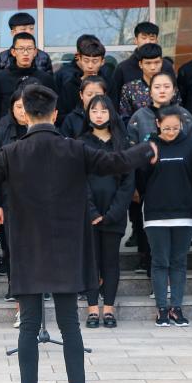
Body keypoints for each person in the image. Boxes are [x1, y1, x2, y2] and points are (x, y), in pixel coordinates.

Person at [0, 85, 158, 383]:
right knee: (70, 324)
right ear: (55, 114)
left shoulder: (12, 152)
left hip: (28, 250)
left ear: (25, 114)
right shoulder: (75, 148)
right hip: (67, 250)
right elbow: (116, 162)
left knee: (28, 325)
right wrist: (147, 149)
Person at [125, 71, 192, 271]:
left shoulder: (185, 116)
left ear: (174, 90)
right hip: (146, 183)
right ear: (150, 91)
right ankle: (146, 264)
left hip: (178, 185)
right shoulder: (139, 117)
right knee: (147, 230)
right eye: (157, 87)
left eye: (167, 86)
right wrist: (133, 185)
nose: (162, 91)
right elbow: (130, 154)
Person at [139, 106, 192, 328]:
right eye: (166, 128)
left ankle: (176, 307)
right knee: (160, 261)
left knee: (178, 262)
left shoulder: (190, 145)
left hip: (184, 213)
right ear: (157, 124)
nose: (171, 132)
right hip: (156, 214)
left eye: (176, 128)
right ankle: (162, 308)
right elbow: (141, 179)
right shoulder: (149, 146)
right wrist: (150, 163)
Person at [79, 95, 134, 329]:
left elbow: (128, 183)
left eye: (103, 110)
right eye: (94, 111)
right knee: (91, 262)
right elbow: (78, 180)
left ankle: (109, 309)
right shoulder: (80, 143)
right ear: (88, 114)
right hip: (88, 215)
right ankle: (92, 309)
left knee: (111, 262)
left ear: (111, 113)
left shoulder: (122, 143)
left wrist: (113, 213)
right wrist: (91, 211)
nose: (99, 115)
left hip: (114, 215)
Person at [0, 84, 33, 295]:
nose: (23, 111)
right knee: (11, 247)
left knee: (37, 246)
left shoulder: (43, 132)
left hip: (37, 202)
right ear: (12, 109)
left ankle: (40, 286)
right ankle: (14, 286)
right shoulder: (2, 133)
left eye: (27, 106)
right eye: (18, 106)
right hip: (9, 201)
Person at [0, 32, 57, 129]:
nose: (25, 53)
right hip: (8, 132)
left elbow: (53, 107)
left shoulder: (46, 79)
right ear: (13, 52)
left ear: (35, 52)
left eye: (29, 49)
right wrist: (1, 131)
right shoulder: (0, 78)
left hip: (38, 131)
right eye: (21, 49)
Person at [110, 22, 174, 102]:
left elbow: (174, 96)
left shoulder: (166, 66)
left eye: (152, 38)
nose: (147, 42)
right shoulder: (123, 68)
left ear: (157, 40)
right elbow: (114, 99)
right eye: (144, 38)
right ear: (136, 40)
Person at [56, 35, 110, 125]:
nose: (90, 66)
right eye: (86, 60)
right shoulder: (70, 85)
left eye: (95, 61)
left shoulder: (108, 82)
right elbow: (61, 116)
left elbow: (114, 112)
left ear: (102, 62)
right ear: (79, 59)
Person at [118, 43, 168, 120]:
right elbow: (124, 118)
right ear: (140, 64)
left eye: (156, 62)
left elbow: (179, 113)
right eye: (148, 63)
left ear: (161, 62)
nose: (153, 67)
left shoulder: (169, 87)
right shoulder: (129, 88)